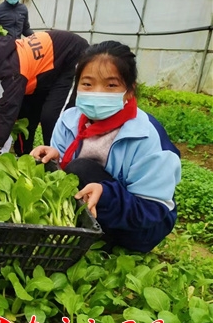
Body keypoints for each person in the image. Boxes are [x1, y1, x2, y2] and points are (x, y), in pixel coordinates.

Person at [30, 41, 181, 253]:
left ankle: (105, 239)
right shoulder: (69, 119)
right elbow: (62, 178)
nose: (97, 93)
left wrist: (106, 195)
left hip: (142, 226)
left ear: (129, 91)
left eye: (111, 85)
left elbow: (154, 210)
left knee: (80, 169)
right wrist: (56, 158)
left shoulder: (146, 135)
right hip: (96, 205)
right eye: (87, 84)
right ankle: (88, 228)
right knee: (68, 169)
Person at [0, 30, 89, 155]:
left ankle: (59, 161)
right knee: (24, 115)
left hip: (71, 57)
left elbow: (7, 111)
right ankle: (23, 155)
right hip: (44, 72)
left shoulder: (10, 69)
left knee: (52, 117)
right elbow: (3, 103)